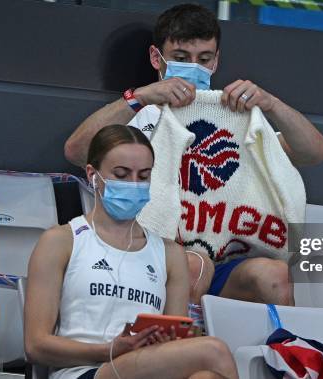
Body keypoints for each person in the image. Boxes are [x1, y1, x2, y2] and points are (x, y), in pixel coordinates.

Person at [64, 4, 323, 306]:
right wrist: (138, 97)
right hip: (153, 257)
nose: (193, 67)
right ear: (156, 57)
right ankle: (176, 351)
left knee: (275, 275)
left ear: (215, 62)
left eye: (203, 59)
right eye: (180, 58)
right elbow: (76, 151)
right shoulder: (142, 113)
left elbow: (314, 153)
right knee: (193, 264)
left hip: (227, 261)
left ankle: (284, 352)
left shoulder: (235, 114)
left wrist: (270, 104)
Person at [25, 125, 238, 379]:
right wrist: (110, 350)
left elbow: (173, 342)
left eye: (143, 176)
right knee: (214, 351)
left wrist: (166, 340)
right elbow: (35, 346)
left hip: (146, 369)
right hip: (83, 371)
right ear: (93, 175)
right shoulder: (61, 241)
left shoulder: (170, 254)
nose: (134, 184)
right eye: (122, 174)